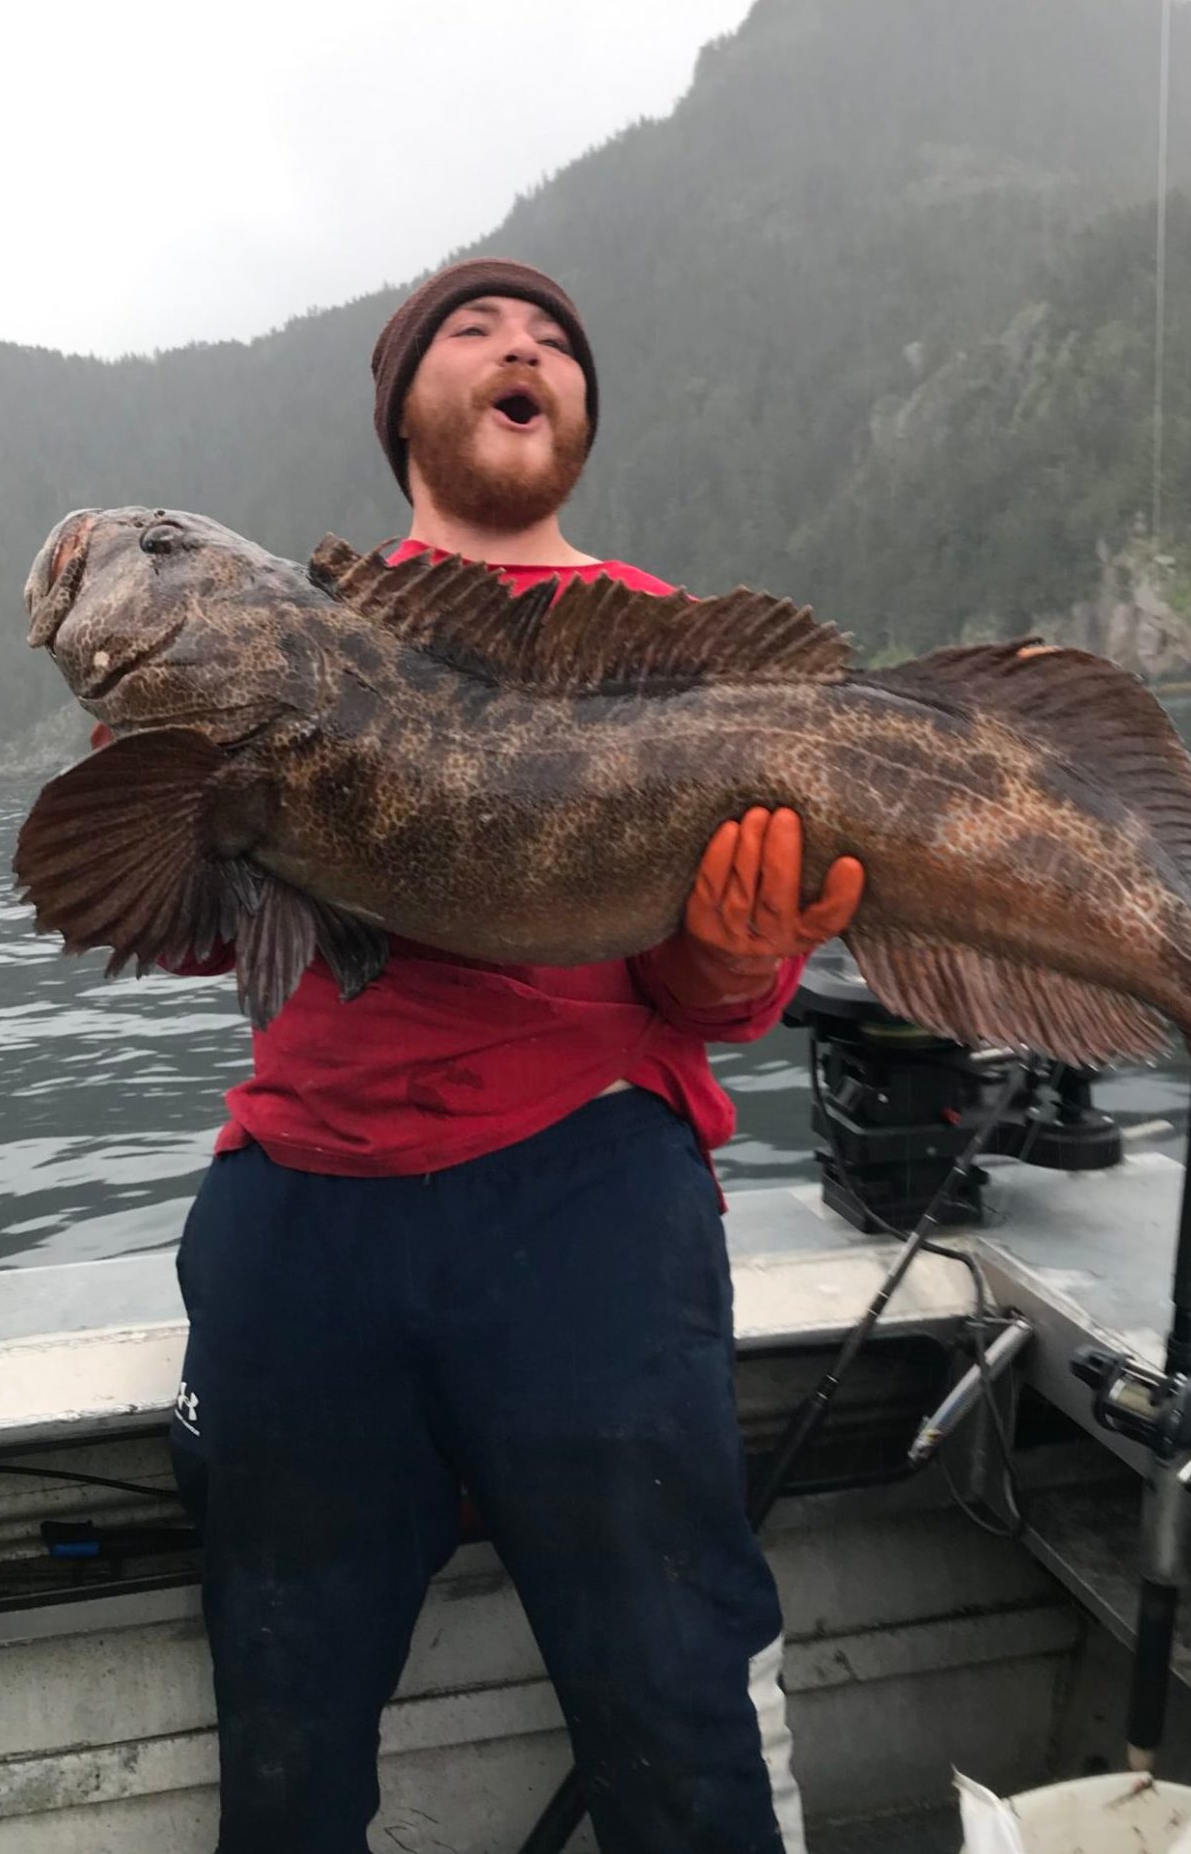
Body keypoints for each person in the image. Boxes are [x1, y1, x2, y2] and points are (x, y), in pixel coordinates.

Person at [163, 257, 866, 1854]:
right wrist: (162, 782)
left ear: (576, 417)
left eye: (553, 342)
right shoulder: (286, 638)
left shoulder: (678, 655)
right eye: (474, 330)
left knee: (675, 1704)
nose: (521, 349)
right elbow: (204, 930)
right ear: (405, 401)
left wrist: (738, 949)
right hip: (300, 1222)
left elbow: (708, 1008)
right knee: (282, 1721)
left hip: (591, 1207)